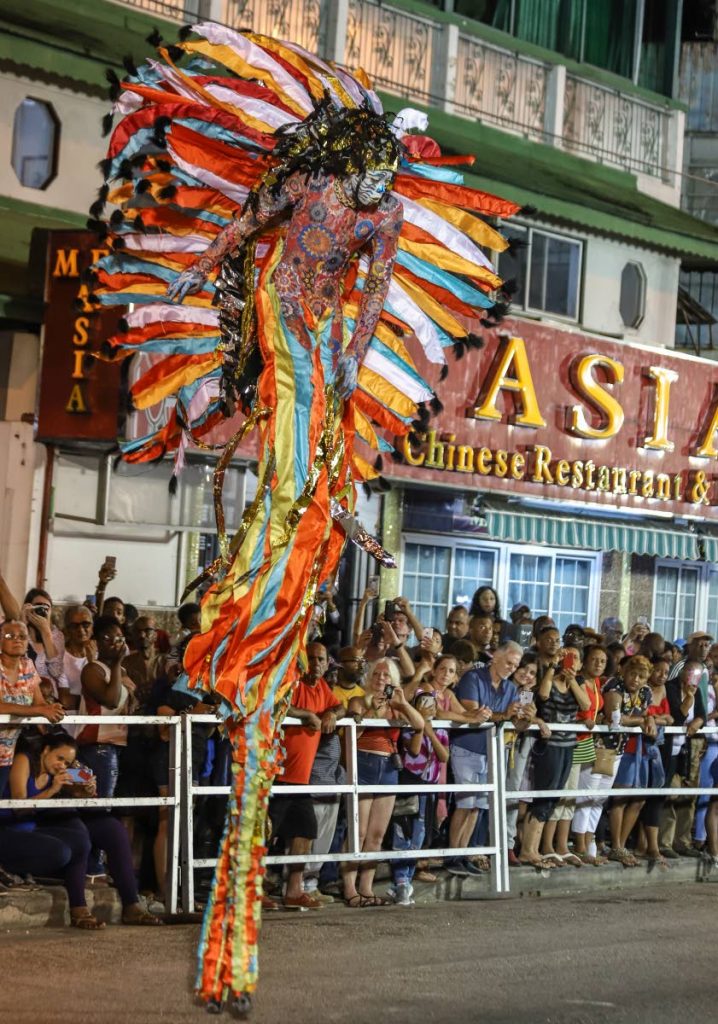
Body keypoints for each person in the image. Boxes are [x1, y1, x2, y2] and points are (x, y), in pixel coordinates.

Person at [92, 24, 519, 1009]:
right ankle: (219, 655)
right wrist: (204, 276)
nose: (378, 190)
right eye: (371, 170)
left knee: (313, 511)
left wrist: (347, 381)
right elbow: (247, 233)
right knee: (295, 493)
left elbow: (367, 309)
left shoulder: (379, 221)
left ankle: (228, 955)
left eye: (386, 177)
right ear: (349, 163)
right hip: (286, 324)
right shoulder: (312, 195)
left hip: (323, 345)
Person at [1, 732, 161, 928]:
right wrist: (53, 789)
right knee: (70, 845)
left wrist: (85, 789)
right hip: (19, 826)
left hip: (47, 819)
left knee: (110, 830)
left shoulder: (60, 772)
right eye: (59, 758)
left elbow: (77, 789)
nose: (62, 765)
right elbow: (19, 807)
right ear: (45, 750)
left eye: (67, 762)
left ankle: (131, 904)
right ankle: (76, 904)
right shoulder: (24, 760)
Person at [342, 658, 424, 906]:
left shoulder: (397, 706)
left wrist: (402, 704)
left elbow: (420, 725)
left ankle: (366, 888)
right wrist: (371, 710)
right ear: (369, 677)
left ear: (394, 681)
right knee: (359, 831)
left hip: (389, 767)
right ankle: (349, 889)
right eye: (377, 673)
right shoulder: (358, 700)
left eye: (386, 675)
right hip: (364, 764)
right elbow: (352, 734)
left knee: (377, 834)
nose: (381, 679)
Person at [270, 642, 342, 910]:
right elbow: (274, 704)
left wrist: (332, 713)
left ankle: (294, 890)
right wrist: (306, 715)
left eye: (321, 659)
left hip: (300, 779)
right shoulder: (292, 681)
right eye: (311, 658)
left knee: (305, 832)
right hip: (276, 773)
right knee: (266, 834)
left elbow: (340, 707)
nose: (316, 664)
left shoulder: (322, 688)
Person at [447, 642, 524, 877]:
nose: (512, 668)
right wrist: (505, 715)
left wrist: (527, 717)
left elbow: (514, 722)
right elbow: (472, 712)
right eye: (509, 662)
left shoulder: (511, 688)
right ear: (496, 658)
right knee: (465, 803)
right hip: (467, 747)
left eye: (516, 665)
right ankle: (452, 855)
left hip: (492, 751)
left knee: (478, 807)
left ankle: (463, 853)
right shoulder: (473, 678)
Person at [531, 647, 591, 867]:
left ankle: (544, 848)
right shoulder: (551, 677)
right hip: (550, 745)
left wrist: (573, 680)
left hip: (569, 745)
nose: (571, 660)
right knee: (545, 796)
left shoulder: (579, 682)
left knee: (557, 797)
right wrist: (553, 665)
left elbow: (586, 705)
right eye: (568, 656)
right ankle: (536, 848)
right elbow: (544, 695)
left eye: (576, 657)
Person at [389, 690, 449, 906]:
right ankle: (400, 880)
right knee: (402, 830)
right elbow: (414, 752)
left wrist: (431, 734)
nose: (430, 706)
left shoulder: (442, 729)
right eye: (424, 702)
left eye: (433, 703)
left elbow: (444, 756)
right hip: (410, 784)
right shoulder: (409, 729)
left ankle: (408, 876)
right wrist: (421, 729)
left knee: (420, 833)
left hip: (429, 787)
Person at [0, 620, 64, 792]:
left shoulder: (27, 665)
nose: (17, 640)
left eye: (22, 636)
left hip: (6, 752)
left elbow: (40, 703)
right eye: (9, 636)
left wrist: (50, 711)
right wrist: (40, 710)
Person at [603, 654, 655, 867]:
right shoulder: (614, 686)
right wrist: (642, 720)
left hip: (639, 747)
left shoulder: (646, 692)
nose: (636, 679)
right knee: (620, 797)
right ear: (624, 672)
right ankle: (615, 844)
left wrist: (648, 719)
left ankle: (621, 845)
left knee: (639, 799)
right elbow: (615, 718)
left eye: (641, 676)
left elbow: (647, 714)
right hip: (614, 746)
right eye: (633, 673)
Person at [76, 616, 135, 798]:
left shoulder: (121, 671)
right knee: (99, 799)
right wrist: (118, 662)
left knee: (107, 799)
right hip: (96, 745)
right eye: (108, 639)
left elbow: (128, 703)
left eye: (119, 638)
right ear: (97, 643)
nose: (115, 643)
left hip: (117, 742)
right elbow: (111, 700)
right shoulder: (92, 669)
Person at [659, 659, 707, 859]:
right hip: (669, 748)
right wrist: (688, 698)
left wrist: (698, 720)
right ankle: (665, 842)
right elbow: (677, 717)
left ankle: (683, 841)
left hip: (689, 749)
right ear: (680, 672)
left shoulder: (698, 690)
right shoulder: (669, 688)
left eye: (694, 672)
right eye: (687, 671)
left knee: (689, 795)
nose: (690, 675)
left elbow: (702, 714)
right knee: (670, 793)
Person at [571, 645, 611, 865]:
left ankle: (587, 843)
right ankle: (579, 845)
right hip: (574, 741)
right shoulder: (577, 681)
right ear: (584, 662)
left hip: (589, 742)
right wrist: (580, 722)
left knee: (593, 796)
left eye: (602, 661)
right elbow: (573, 711)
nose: (598, 664)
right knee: (581, 795)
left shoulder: (597, 683)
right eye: (594, 659)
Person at [57, 604, 96, 712]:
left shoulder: (102, 652)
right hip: (70, 722)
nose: (81, 629)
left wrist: (92, 661)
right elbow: (66, 701)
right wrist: (97, 701)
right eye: (74, 626)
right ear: (67, 630)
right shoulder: (60, 658)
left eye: (86, 624)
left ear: (92, 627)